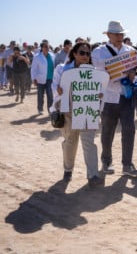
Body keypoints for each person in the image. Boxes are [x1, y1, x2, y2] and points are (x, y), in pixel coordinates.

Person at [91, 20, 137, 177]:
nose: (120, 36)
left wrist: (135, 72)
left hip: (126, 96)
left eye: (122, 34)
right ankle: (106, 161)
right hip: (108, 97)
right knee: (107, 131)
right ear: (108, 35)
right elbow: (93, 73)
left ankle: (127, 164)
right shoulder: (99, 52)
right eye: (116, 34)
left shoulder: (131, 51)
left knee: (129, 130)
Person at [52, 41, 104, 187]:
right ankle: (68, 170)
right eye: (82, 53)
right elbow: (54, 86)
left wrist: (99, 94)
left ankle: (93, 175)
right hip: (68, 112)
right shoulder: (62, 69)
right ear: (74, 54)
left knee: (89, 143)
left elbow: (100, 88)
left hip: (88, 110)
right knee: (70, 142)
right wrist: (58, 89)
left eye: (88, 53)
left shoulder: (94, 72)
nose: (85, 56)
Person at [31, 41, 55, 114]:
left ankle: (50, 110)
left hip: (50, 79)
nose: (47, 48)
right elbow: (33, 68)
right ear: (42, 48)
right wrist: (34, 78)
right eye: (45, 47)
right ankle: (40, 109)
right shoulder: (37, 57)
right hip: (40, 79)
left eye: (48, 46)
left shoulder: (52, 56)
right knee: (40, 95)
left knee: (50, 95)